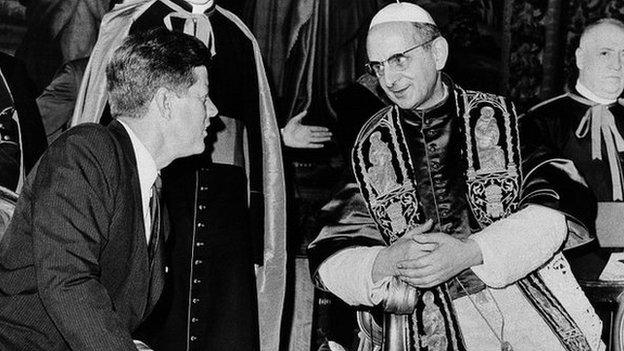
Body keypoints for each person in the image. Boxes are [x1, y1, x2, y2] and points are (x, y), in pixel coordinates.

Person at [308, 3, 604, 350]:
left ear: (438, 52)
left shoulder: (502, 120)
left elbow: (555, 213)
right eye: (378, 65)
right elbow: (331, 257)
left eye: (399, 59)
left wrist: (471, 252)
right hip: (426, 324)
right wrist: (387, 260)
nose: (389, 79)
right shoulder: (373, 146)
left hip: (525, 310)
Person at [70, 1, 286, 349]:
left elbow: (261, 139)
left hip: (224, 206)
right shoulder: (131, 23)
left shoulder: (240, 36)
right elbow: (100, 119)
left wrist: (258, 228)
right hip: (156, 192)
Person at [0, 28, 218, 351]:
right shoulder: (87, 151)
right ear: (165, 103)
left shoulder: (152, 197)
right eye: (203, 97)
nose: (213, 111)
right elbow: (67, 281)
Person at [521, 18, 624, 306]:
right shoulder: (540, 122)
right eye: (606, 53)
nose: (617, 64)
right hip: (572, 280)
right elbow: (544, 207)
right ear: (580, 57)